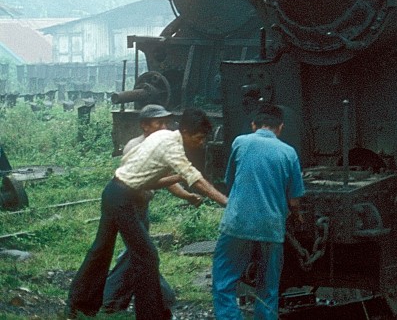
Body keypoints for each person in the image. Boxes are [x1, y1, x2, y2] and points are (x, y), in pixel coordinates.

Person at [69, 108, 228, 320]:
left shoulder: (162, 135)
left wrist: (176, 180)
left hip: (114, 191)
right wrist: (228, 202)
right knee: (146, 255)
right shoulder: (173, 148)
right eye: (199, 138)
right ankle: (151, 315)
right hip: (122, 196)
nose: (201, 144)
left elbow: (145, 177)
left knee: (101, 249)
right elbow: (195, 179)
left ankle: (79, 304)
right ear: (186, 132)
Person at [101, 105, 205, 314]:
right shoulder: (136, 145)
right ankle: (115, 299)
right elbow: (137, 180)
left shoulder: (160, 143)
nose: (163, 126)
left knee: (140, 254)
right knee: (140, 255)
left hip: (139, 207)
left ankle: (145, 301)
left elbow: (162, 180)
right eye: (159, 122)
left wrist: (186, 194)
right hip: (129, 204)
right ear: (145, 125)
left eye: (165, 122)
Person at [212, 103, 305, 320]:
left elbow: (230, 181)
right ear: (280, 127)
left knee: (224, 282)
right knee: (268, 289)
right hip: (271, 228)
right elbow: (294, 200)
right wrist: (297, 215)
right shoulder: (289, 153)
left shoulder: (240, 142)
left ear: (254, 125)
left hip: (238, 225)